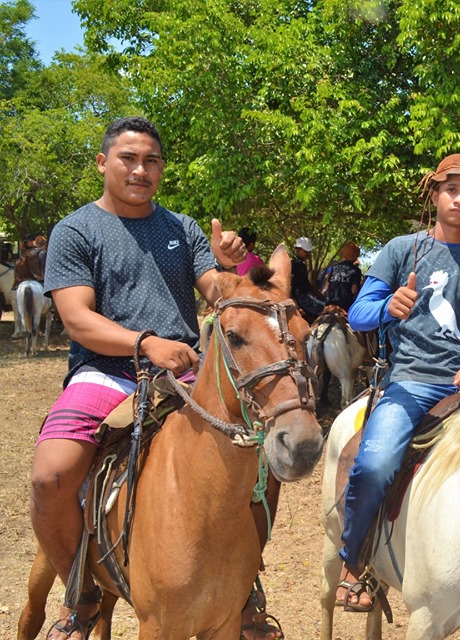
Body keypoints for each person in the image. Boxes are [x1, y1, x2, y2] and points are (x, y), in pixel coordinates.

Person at [30, 116, 282, 640]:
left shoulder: (181, 228)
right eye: (129, 158)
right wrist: (145, 343)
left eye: (151, 161)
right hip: (105, 372)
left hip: (184, 373)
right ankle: (82, 595)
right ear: (103, 163)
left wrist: (228, 268)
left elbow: (216, 292)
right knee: (50, 476)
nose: (140, 170)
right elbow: (78, 318)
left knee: (264, 462)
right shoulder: (76, 231)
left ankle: (245, 590)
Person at [336, 153, 460, 611]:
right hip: (409, 382)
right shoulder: (400, 251)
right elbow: (358, 314)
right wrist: (388, 306)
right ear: (435, 195)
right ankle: (354, 560)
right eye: (452, 190)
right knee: (374, 465)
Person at [290, 237, 326, 324]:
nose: (308, 254)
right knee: (325, 310)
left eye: (309, 252)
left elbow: (307, 285)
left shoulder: (301, 264)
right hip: (302, 300)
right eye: (305, 251)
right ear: (297, 250)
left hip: (307, 298)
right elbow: (289, 285)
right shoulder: (294, 264)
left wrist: (321, 296)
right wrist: (295, 304)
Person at [323, 241, 363, 311]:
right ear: (356, 256)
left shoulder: (334, 267)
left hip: (329, 303)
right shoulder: (356, 270)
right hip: (345, 306)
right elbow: (354, 291)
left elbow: (327, 287)